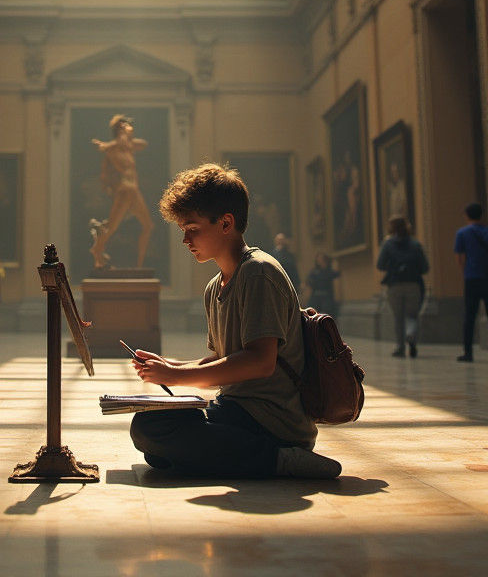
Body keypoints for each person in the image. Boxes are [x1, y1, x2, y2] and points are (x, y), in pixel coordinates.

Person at [125, 163, 341, 480]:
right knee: (151, 436)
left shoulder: (259, 272)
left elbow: (260, 362)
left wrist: (174, 375)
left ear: (226, 223)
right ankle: (239, 456)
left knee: (152, 431)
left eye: (193, 228)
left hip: (272, 420)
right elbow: (222, 359)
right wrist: (172, 367)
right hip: (238, 410)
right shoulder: (215, 287)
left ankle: (280, 459)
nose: (185, 239)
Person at [89, 114, 154, 269]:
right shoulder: (112, 150)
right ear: (120, 129)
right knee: (112, 226)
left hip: (134, 191)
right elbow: (105, 160)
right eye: (125, 126)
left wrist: (126, 140)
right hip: (125, 190)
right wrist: (112, 142)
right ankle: (97, 249)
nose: (129, 129)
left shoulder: (128, 147)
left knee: (148, 226)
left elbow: (144, 144)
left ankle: (139, 264)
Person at [454, 202, 488, 362]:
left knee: (470, 316)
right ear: (481, 216)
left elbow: (460, 258)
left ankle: (468, 352)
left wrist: (465, 272)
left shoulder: (462, 233)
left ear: (467, 216)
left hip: (472, 278)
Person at [376, 216, 429, 357]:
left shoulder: (387, 244)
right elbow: (425, 268)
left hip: (394, 285)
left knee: (398, 317)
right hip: (413, 285)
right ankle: (411, 336)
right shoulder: (415, 244)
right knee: (412, 316)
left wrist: (393, 266)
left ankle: (400, 347)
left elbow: (380, 265)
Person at [304, 252, 340, 316]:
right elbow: (309, 283)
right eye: (318, 259)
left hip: (327, 296)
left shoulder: (330, 271)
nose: (319, 261)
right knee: (310, 311)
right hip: (316, 296)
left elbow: (336, 280)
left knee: (327, 310)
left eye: (321, 259)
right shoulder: (314, 272)